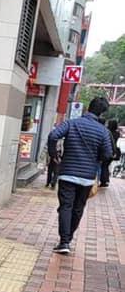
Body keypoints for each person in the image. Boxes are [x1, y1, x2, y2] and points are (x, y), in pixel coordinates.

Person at [47, 96, 112, 255]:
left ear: (88, 108)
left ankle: (64, 242)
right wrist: (95, 160)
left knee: (66, 207)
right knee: (78, 208)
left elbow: (53, 136)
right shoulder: (103, 131)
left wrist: (54, 154)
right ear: (101, 113)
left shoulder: (72, 123)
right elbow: (108, 154)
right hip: (87, 177)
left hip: (68, 173)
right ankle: (68, 239)